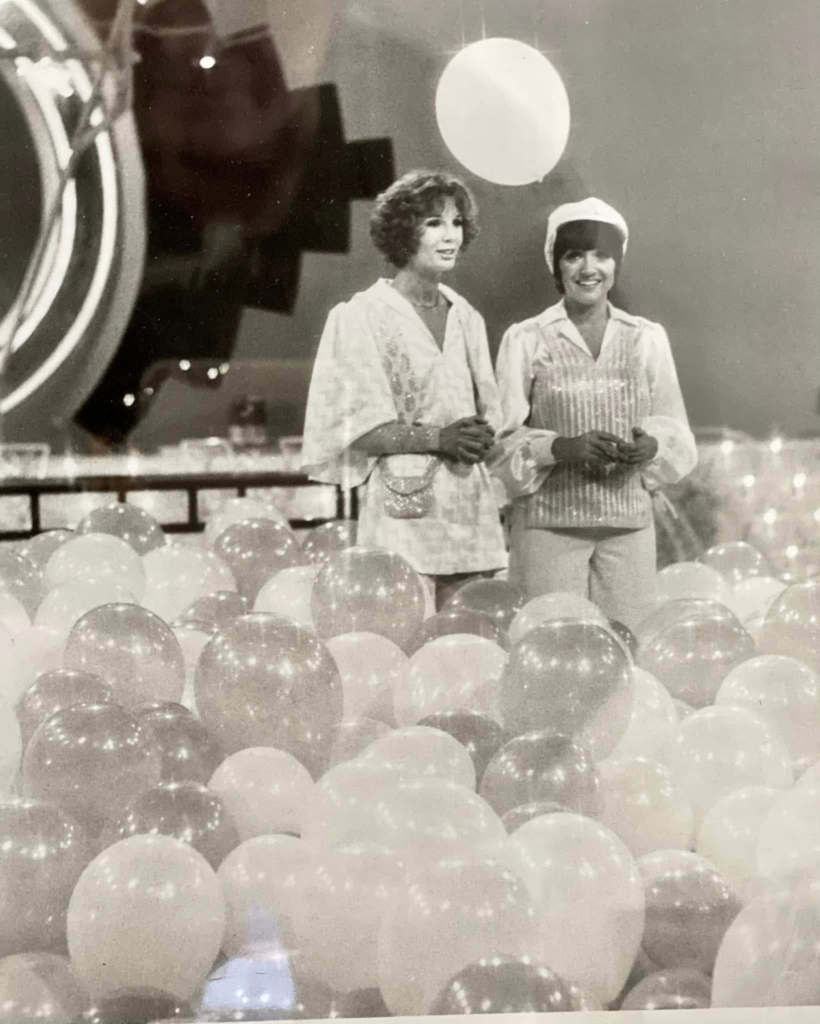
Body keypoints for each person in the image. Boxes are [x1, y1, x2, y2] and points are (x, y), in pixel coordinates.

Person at [301, 170, 507, 605]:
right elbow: (351, 428)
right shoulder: (360, 315)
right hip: (403, 515)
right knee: (406, 630)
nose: (450, 236)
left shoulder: (466, 316)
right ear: (402, 232)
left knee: (471, 632)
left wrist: (483, 435)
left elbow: (491, 415)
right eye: (433, 223)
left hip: (470, 511)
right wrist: (439, 438)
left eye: (456, 223)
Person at [491, 197, 697, 629]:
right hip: (548, 528)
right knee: (553, 641)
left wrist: (652, 446)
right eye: (574, 255)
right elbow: (500, 443)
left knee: (630, 642)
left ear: (616, 263)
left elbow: (673, 426)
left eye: (601, 254)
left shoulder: (647, 338)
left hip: (629, 526)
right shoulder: (526, 339)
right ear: (556, 264)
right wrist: (560, 447)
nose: (589, 268)